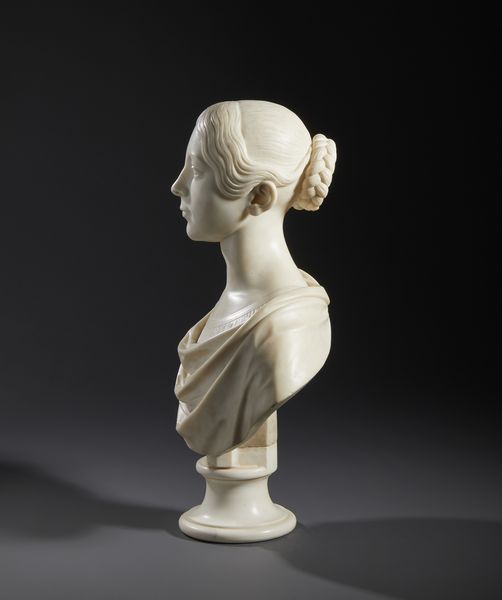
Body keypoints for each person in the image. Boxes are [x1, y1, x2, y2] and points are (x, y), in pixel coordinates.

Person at [171, 100, 336, 457]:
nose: (177, 185)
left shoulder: (283, 332)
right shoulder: (230, 312)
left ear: (258, 195)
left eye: (196, 169)